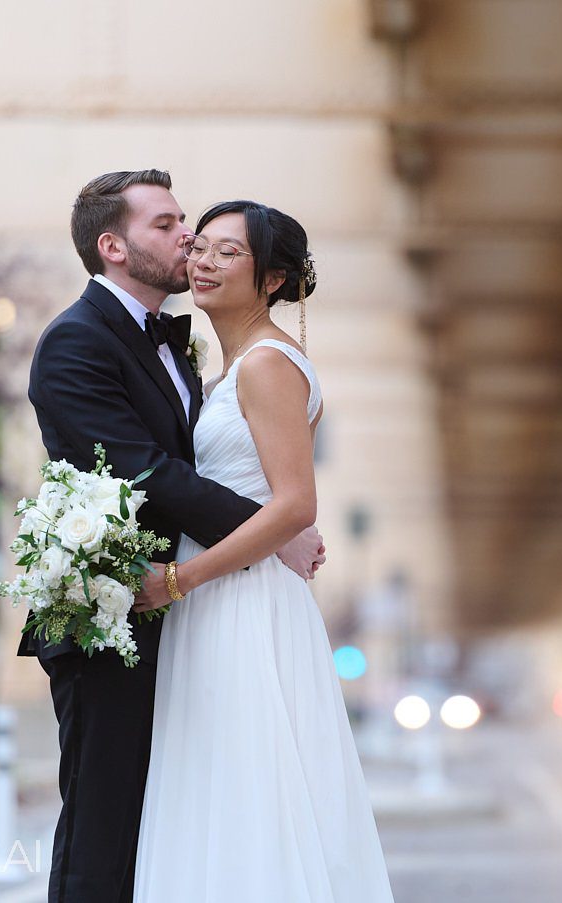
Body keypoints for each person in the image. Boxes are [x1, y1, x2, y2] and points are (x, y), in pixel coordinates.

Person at [22, 171, 326, 903]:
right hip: (115, 614)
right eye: (166, 225)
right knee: (105, 829)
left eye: (186, 220)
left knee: (179, 827)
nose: (186, 237)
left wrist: (271, 521)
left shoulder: (188, 354)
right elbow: (147, 470)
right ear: (113, 246)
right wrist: (272, 530)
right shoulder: (75, 341)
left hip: (186, 613)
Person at [131, 200, 394, 902]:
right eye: (202, 248)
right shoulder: (230, 369)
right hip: (218, 597)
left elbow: (294, 504)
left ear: (272, 279)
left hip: (236, 604)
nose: (204, 262)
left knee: (245, 792)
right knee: (220, 790)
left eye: (228, 253)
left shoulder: (267, 365)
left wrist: (179, 579)